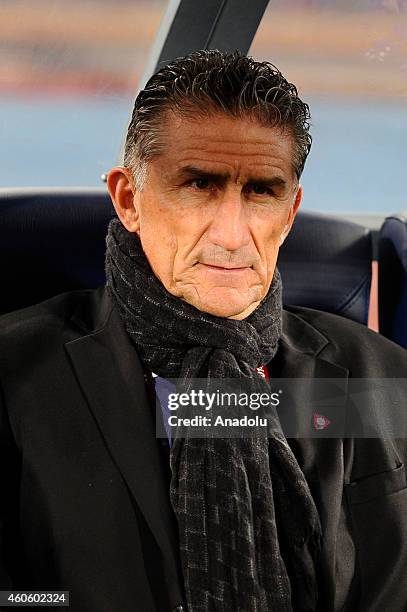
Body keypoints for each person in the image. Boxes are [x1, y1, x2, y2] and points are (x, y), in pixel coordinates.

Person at [0, 50, 406, 612]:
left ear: (289, 214)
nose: (233, 234)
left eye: (261, 191)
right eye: (199, 185)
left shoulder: (380, 374)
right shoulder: (14, 375)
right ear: (128, 200)